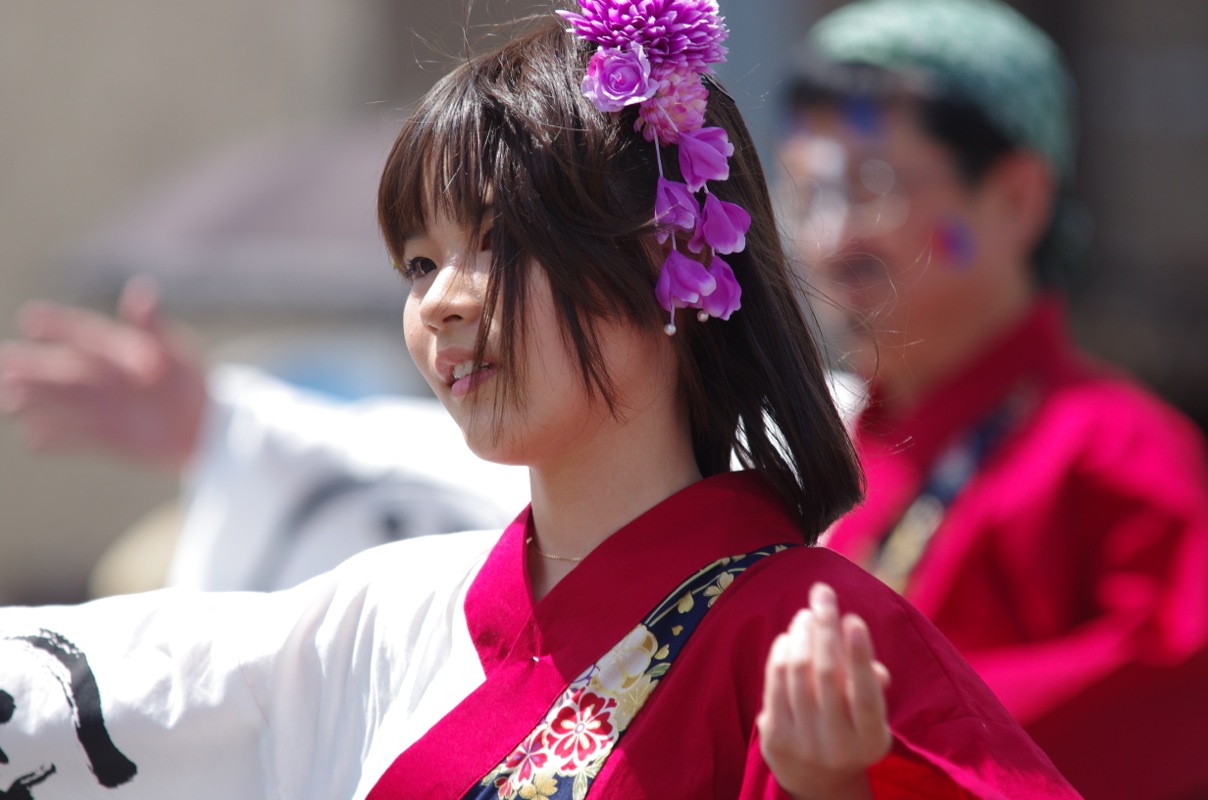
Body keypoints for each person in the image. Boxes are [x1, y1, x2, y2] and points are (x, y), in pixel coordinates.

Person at [0, 3, 1079, 798]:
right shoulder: (397, 610)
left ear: (665, 257)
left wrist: (836, 788)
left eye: (499, 243)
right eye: (419, 265)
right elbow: (147, 696)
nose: (444, 305)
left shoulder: (795, 628)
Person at [777, 1, 1208, 798]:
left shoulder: (1119, 450)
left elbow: (1176, 700)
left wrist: (875, 741)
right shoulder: (814, 451)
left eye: (871, 186)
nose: (832, 240)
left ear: (1015, 199)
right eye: (807, 195)